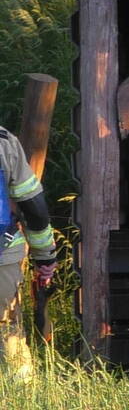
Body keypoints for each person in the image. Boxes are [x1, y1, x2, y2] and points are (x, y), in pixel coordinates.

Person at [0, 128, 57, 381]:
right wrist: (45, 257)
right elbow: (34, 207)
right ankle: (21, 394)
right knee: (7, 329)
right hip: (3, 254)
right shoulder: (4, 142)